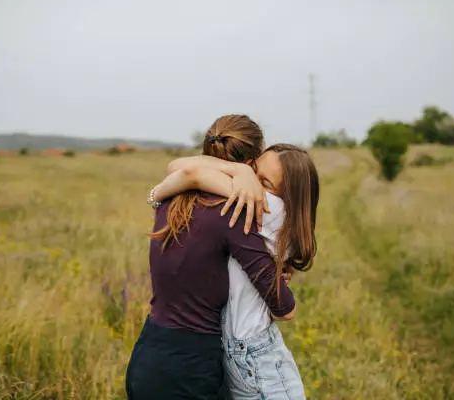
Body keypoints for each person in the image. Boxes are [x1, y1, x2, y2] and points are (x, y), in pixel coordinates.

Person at [125, 115, 296, 400]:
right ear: (254, 160)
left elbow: (182, 170)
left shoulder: (172, 197)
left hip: (148, 353)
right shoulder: (234, 211)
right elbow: (283, 305)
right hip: (191, 367)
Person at [154, 143, 319, 399]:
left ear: (287, 200)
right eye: (253, 173)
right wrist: (242, 171)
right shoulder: (264, 208)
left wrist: (156, 194)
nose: (251, 185)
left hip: (260, 364)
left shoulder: (268, 208)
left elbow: (184, 170)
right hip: (246, 357)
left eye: (263, 182)